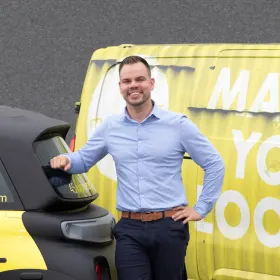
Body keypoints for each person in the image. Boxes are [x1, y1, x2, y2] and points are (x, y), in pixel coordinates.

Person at [50, 55, 225, 280]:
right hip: (130, 228)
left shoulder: (178, 125)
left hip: (169, 227)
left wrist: (201, 208)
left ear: (151, 84)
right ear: (121, 87)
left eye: (140, 79)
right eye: (127, 81)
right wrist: (66, 159)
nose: (134, 85)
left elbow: (214, 163)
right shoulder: (111, 127)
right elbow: (84, 159)